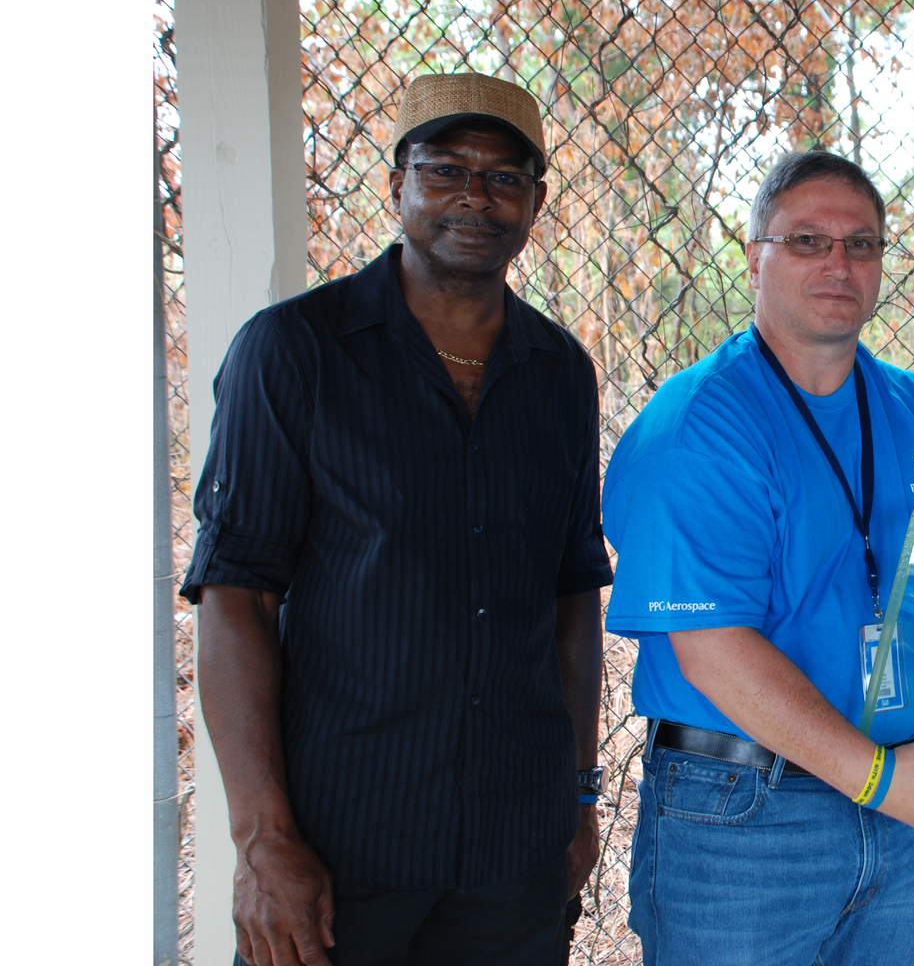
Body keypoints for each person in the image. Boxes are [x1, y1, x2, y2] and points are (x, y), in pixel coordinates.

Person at [182, 73, 612, 966]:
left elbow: (574, 599)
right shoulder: (294, 351)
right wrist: (264, 841)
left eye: (504, 178)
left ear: (536, 200)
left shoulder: (559, 372)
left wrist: (577, 801)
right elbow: (235, 596)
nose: (473, 197)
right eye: (445, 169)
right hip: (339, 846)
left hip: (512, 848)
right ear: (396, 187)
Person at [600, 150, 914, 966]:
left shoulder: (912, 406)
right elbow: (712, 651)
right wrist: (883, 782)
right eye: (808, 241)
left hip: (897, 804)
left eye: (862, 244)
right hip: (744, 815)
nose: (839, 263)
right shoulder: (700, 427)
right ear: (756, 257)